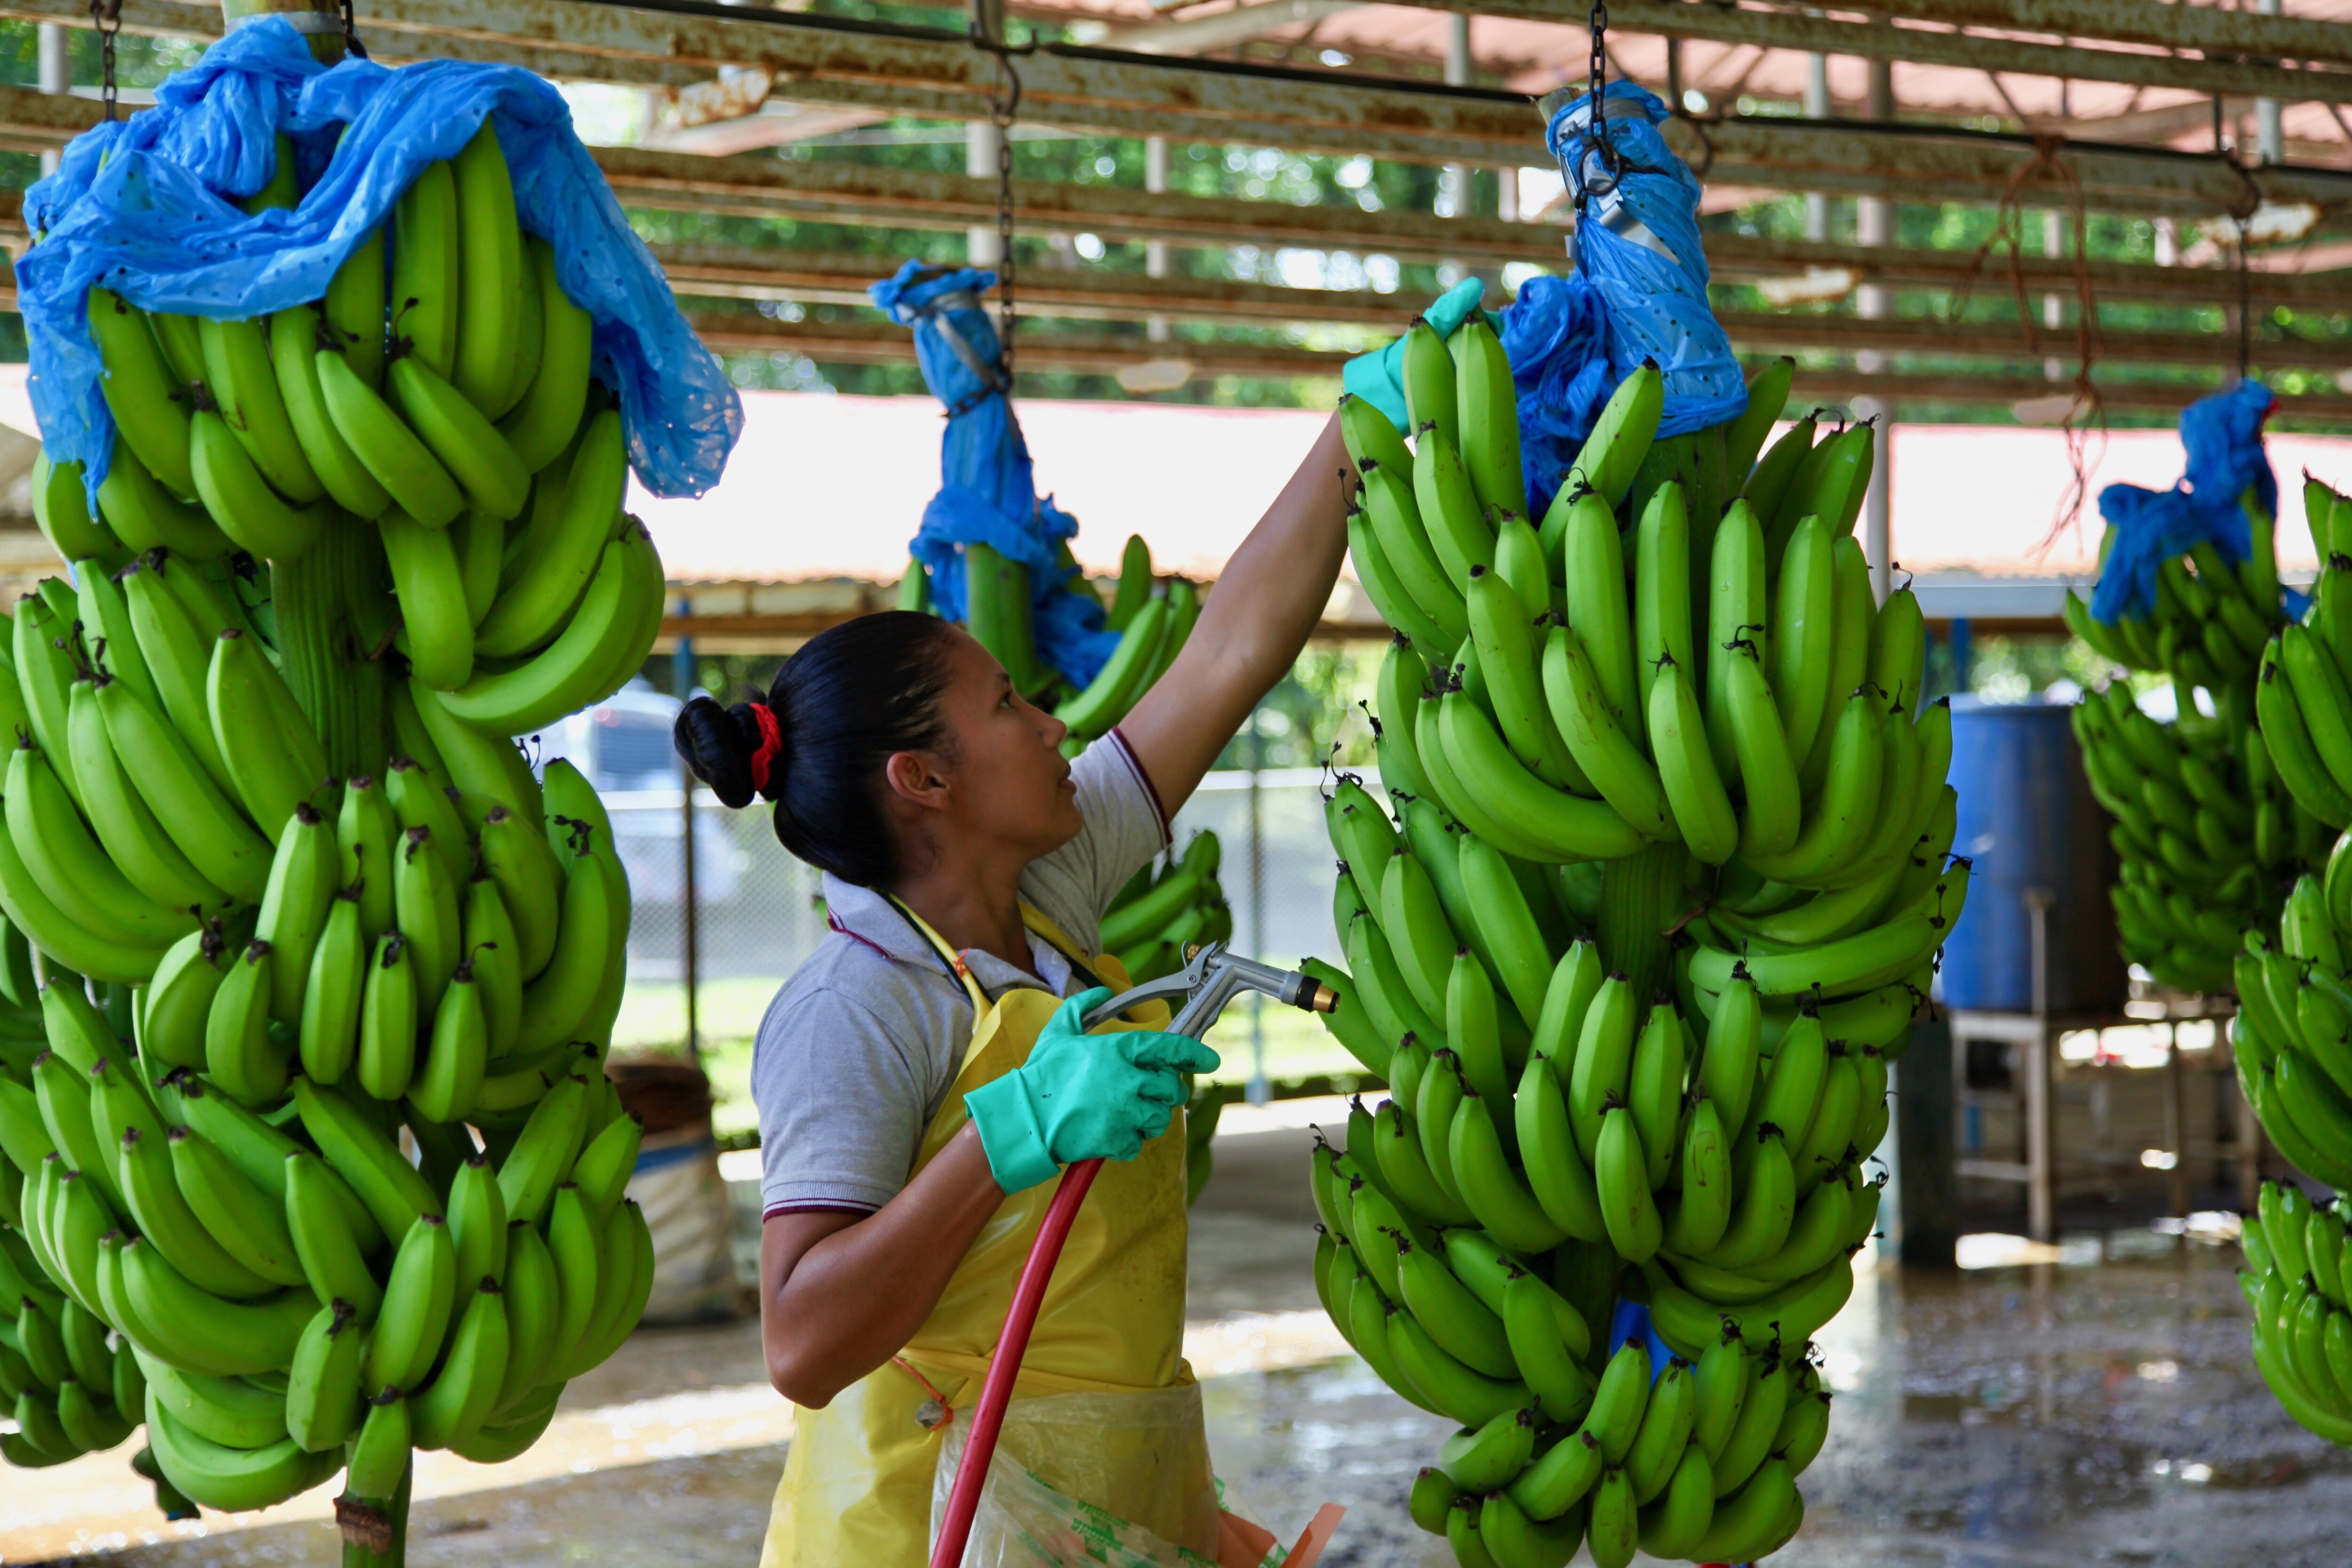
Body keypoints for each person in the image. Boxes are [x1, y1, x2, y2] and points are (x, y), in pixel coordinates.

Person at [674, 371, 1402, 1564]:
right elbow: (801, 1344)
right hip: (924, 1526)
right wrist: (1007, 1137)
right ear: (926, 778)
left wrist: (1358, 424)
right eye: (1009, 704)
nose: (1054, 724)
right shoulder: (854, 1008)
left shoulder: (1047, 897)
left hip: (1092, 1503)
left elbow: (1231, 651)